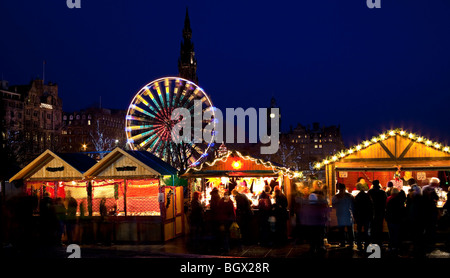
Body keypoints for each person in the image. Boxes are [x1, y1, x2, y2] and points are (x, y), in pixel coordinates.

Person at [405, 183, 425, 258]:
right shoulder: (422, 198)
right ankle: (419, 249)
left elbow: (408, 208)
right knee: (419, 234)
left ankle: (415, 248)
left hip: (413, 218)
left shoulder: (411, 198)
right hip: (420, 219)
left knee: (414, 234)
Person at [332, 183, 354, 248]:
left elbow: (334, 206)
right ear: (345, 188)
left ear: (339, 189)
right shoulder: (350, 196)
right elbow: (353, 205)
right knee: (350, 230)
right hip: (348, 214)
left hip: (340, 214)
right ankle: (351, 243)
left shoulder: (335, 197)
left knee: (341, 230)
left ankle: (342, 243)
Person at [385, 187, 406, 256]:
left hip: (390, 219)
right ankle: (396, 247)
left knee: (391, 234)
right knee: (397, 233)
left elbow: (387, 209)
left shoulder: (389, 199)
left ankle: (390, 247)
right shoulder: (400, 201)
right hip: (397, 219)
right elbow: (402, 210)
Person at [422, 177, 440, 252]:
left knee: (425, 227)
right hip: (431, 211)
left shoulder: (424, 188)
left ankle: (425, 242)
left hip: (424, 211)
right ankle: (430, 243)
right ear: (435, 183)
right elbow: (437, 198)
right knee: (431, 228)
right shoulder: (432, 189)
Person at [353, 183, 373, 251]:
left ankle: (359, 244)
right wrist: (371, 215)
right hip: (366, 216)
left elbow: (355, 207)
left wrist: (355, 217)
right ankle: (366, 244)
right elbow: (371, 206)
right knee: (366, 231)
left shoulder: (357, 197)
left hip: (359, 216)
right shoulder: (367, 196)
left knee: (359, 230)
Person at [368, 180, 387, 246]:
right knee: (379, 226)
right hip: (380, 211)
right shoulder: (382, 192)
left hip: (372, 211)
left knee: (373, 226)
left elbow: (368, 202)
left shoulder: (370, 192)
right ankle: (379, 241)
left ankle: (373, 240)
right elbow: (385, 201)